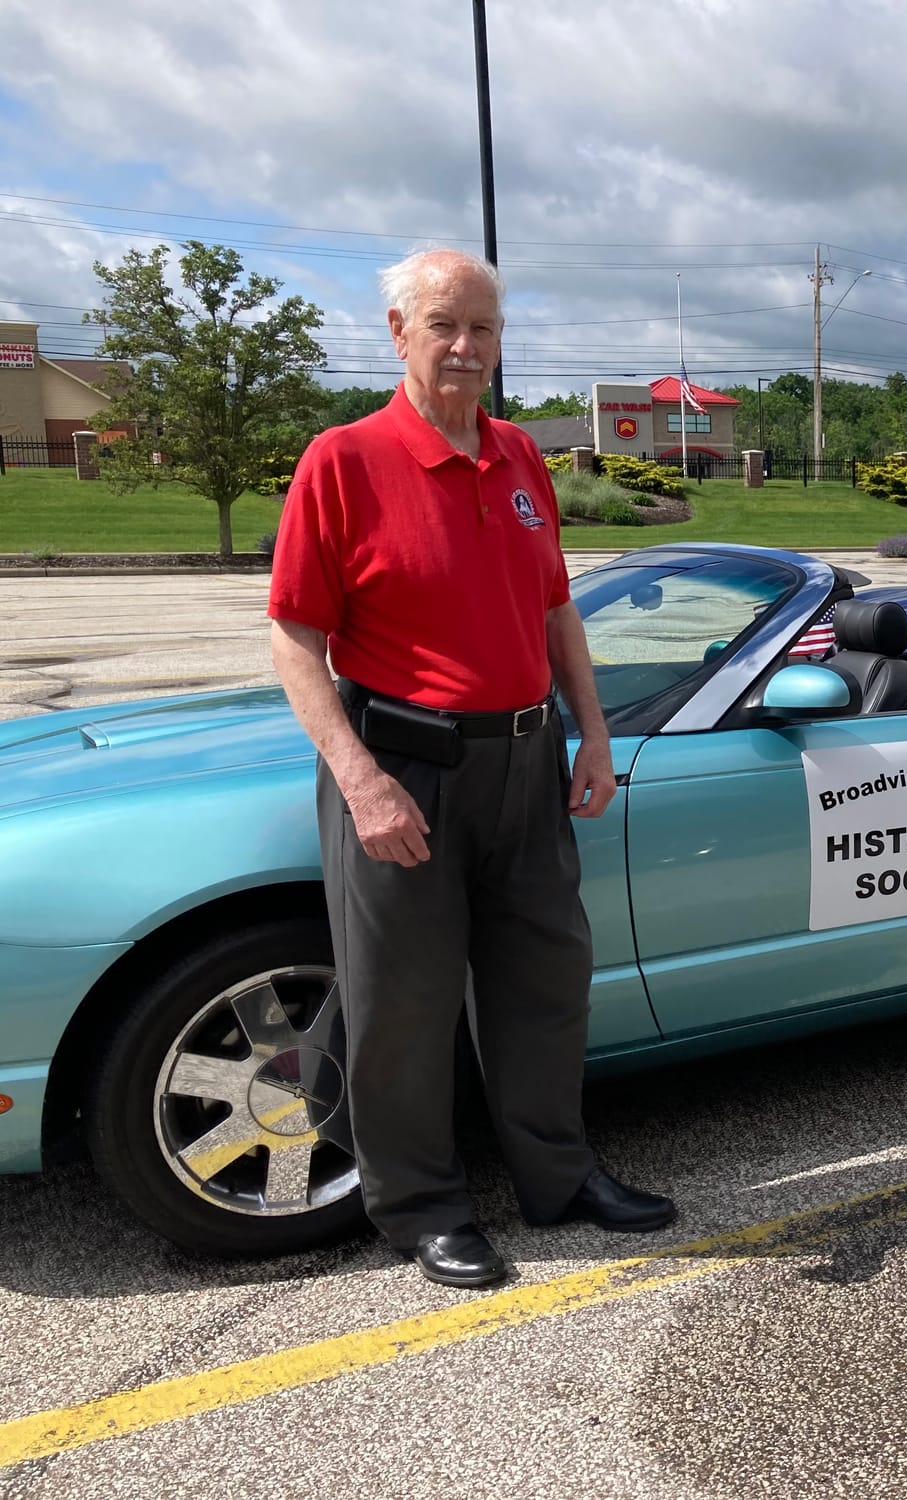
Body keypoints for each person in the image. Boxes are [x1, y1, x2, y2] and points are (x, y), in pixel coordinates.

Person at [268, 248, 677, 1289]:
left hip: (526, 762)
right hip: (405, 767)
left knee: (545, 983)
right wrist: (360, 779)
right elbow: (294, 640)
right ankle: (421, 1209)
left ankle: (558, 1178)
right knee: (402, 1002)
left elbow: (552, 610)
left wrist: (592, 731)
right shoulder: (344, 460)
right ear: (397, 333)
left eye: (483, 329)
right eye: (444, 325)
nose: (465, 347)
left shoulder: (518, 458)